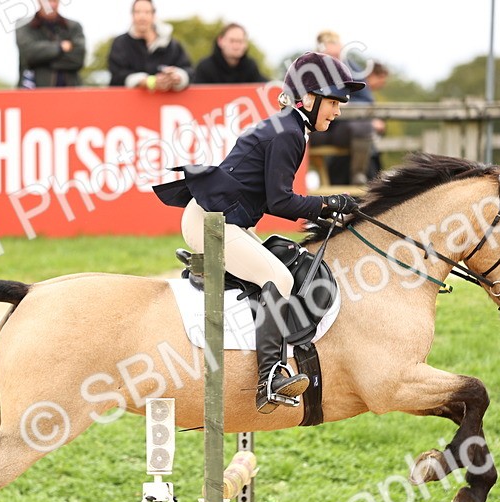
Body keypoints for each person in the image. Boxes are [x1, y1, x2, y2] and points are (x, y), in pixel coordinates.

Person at [153, 53, 363, 413]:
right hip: (211, 221)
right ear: (308, 99)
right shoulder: (289, 133)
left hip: (223, 219)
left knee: (277, 262)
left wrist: (324, 207)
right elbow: (280, 201)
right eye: (333, 102)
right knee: (278, 277)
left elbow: (271, 199)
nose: (338, 111)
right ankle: (271, 378)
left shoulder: (289, 127)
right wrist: (327, 203)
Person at [308, 30, 377, 185]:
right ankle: (296, 175)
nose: (334, 60)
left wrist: (345, 102)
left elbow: (367, 101)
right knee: (294, 129)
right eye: (330, 56)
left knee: (364, 127)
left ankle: (358, 174)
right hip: (315, 130)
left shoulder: (352, 69)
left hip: (341, 129)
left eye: (337, 55)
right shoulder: (306, 70)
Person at [107, 0, 191, 92]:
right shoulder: (120, 43)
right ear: (132, 15)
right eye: (137, 12)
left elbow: (188, 70)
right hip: (128, 100)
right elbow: (117, 75)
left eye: (147, 12)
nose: (142, 17)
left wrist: (176, 77)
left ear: (154, 15)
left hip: (166, 99)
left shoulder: (172, 45)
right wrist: (147, 81)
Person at [16, 0, 86, 88]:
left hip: (69, 91)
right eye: (48, 1)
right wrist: (60, 47)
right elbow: (29, 54)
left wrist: (41, 61)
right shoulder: (24, 25)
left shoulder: (73, 26)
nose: (52, 5)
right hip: (35, 90)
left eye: (54, 1)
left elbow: (78, 59)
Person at [192, 23, 267, 84]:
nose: (236, 46)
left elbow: (264, 85)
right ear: (220, 41)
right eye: (232, 41)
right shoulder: (205, 67)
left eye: (240, 41)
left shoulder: (250, 67)